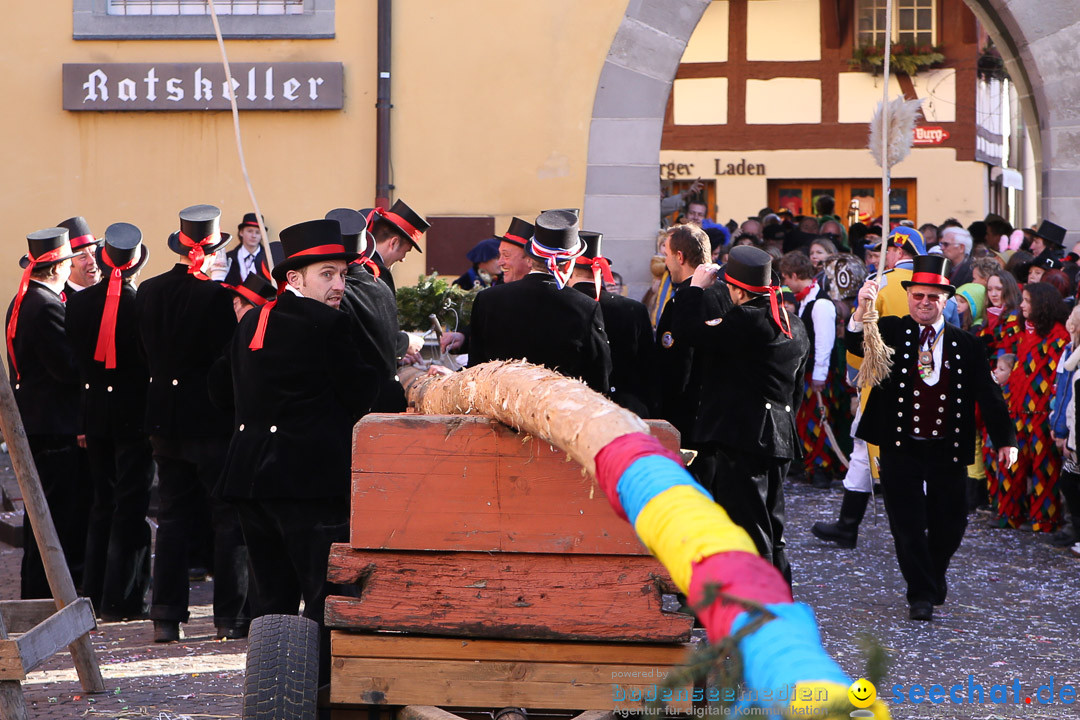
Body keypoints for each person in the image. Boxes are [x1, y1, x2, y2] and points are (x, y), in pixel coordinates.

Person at [209, 218, 378, 688]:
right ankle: (318, 690)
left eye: (342, 274)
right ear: (294, 280)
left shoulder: (250, 325)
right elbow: (364, 392)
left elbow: (217, 391)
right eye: (327, 274)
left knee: (272, 599)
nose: (339, 285)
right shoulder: (329, 324)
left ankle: (274, 690)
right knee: (323, 594)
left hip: (250, 478)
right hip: (308, 481)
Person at [846, 255, 1016, 621]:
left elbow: (989, 394)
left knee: (951, 524)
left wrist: (1006, 440)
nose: (924, 303)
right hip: (899, 445)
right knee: (906, 526)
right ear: (909, 297)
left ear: (945, 299)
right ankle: (920, 594)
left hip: (946, 447)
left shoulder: (966, 344)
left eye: (932, 297)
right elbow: (858, 345)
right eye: (918, 296)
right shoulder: (890, 330)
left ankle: (934, 573)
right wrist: (862, 309)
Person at [136, 205, 248, 643]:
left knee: (172, 517)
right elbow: (229, 362)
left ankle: (165, 615)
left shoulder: (148, 291)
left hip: (164, 416)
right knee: (227, 519)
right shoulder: (222, 297)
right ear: (213, 249)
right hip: (212, 420)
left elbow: (143, 351)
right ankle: (229, 617)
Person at [670, 245, 809, 583]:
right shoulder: (793, 323)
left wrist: (693, 289)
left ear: (737, 290)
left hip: (744, 436)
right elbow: (798, 387)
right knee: (774, 530)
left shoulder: (746, 321)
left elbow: (689, 332)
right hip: (779, 434)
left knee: (749, 529)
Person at [812, 227, 926, 550]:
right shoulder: (935, 284)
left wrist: (855, 375)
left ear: (899, 251)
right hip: (924, 380)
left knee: (885, 453)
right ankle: (848, 524)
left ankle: (909, 530)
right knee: (864, 449)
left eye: (886, 249)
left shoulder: (882, 283)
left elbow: (861, 335)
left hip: (881, 382)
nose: (883, 255)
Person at [65, 222, 153, 620]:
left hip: (96, 412)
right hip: (134, 416)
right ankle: (124, 598)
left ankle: (96, 591)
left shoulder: (79, 304)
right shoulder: (144, 305)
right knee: (130, 506)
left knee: (103, 503)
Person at [5, 227, 88, 598]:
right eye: (70, 262)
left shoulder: (23, 300)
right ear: (56, 269)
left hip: (37, 422)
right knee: (55, 519)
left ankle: (38, 592)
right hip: (54, 426)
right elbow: (67, 369)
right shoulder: (47, 306)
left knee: (40, 518)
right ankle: (46, 595)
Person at [467, 209, 611, 393]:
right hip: (556, 413)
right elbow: (598, 378)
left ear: (531, 258)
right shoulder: (586, 307)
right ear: (569, 263)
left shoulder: (488, 299)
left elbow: (475, 369)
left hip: (499, 411)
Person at [996, 282, 1070, 531]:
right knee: (1010, 466)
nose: (1022, 305)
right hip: (1017, 412)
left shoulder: (1059, 337)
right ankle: (1010, 514)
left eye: (1027, 301)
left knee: (1043, 471)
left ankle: (1044, 520)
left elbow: (1056, 380)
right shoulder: (1026, 332)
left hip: (1040, 416)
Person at [330, 207, 411, 412]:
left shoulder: (343, 293)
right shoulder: (378, 280)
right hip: (383, 398)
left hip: (360, 405)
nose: (403, 259)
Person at [569, 230, 654, 417]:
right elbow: (648, 368)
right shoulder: (634, 309)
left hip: (572, 410)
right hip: (626, 412)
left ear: (570, 270)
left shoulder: (562, 306)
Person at [654, 224, 725, 439]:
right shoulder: (725, 293)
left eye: (666, 255)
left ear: (680, 257)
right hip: (719, 412)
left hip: (689, 415)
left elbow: (677, 364)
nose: (665, 262)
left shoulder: (685, 300)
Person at [779, 251, 839, 489]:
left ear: (795, 275)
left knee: (819, 422)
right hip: (809, 373)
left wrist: (819, 375)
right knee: (807, 422)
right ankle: (809, 466)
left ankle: (821, 470)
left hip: (818, 374)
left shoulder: (820, 303)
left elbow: (825, 342)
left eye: (786, 278)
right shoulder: (806, 299)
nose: (785, 283)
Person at [364, 200, 430, 293]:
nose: (403, 259)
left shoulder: (354, 262)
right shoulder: (378, 273)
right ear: (394, 242)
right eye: (406, 251)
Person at [223, 213, 272, 286]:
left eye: (258, 232)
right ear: (241, 232)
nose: (253, 236)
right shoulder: (228, 257)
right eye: (250, 231)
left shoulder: (269, 259)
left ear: (262, 235)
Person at [58, 216, 102, 293]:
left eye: (94, 254)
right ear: (67, 262)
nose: (92, 261)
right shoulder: (60, 300)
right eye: (83, 257)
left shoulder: (112, 293)